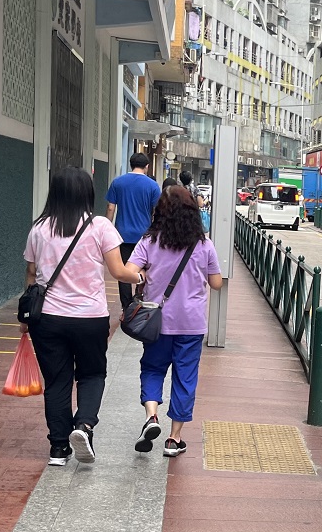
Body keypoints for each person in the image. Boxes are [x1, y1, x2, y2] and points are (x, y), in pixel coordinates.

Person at [23, 166, 144, 466]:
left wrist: (26, 319)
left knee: (57, 381)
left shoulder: (39, 228)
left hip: (47, 318)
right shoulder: (100, 226)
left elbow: (31, 274)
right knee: (91, 374)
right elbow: (119, 271)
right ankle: (84, 425)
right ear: (87, 193)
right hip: (90, 318)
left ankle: (58, 448)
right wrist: (139, 277)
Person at [130, 186, 224, 457]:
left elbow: (130, 270)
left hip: (157, 321)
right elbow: (216, 283)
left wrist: (145, 275)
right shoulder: (204, 245)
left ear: (160, 211)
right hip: (191, 324)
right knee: (185, 377)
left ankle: (151, 415)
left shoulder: (150, 241)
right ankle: (174, 439)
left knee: (152, 368)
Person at [105, 152, 164, 309]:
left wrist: (107, 227)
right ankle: (142, 302)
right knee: (147, 270)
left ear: (131, 165)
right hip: (145, 236)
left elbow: (110, 208)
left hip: (122, 235)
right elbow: (158, 211)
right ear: (147, 166)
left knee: (123, 270)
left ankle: (126, 307)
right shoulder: (152, 186)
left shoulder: (117, 182)